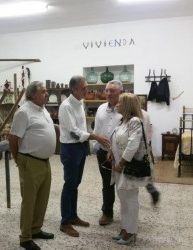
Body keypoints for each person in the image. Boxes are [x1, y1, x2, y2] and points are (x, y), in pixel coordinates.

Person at [93, 80, 160, 226]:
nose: (108, 94)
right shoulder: (101, 108)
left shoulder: (135, 112)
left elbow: (143, 134)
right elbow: (97, 128)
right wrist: (96, 145)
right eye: (107, 90)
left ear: (121, 92)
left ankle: (130, 221)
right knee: (107, 184)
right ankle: (107, 212)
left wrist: (143, 152)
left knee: (129, 185)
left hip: (125, 156)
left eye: (112, 91)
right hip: (105, 152)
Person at [58, 76, 110, 237]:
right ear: (74, 90)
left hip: (80, 148)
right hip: (70, 148)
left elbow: (81, 127)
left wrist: (87, 144)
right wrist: (95, 137)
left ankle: (73, 216)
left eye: (87, 87)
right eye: (84, 88)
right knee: (69, 184)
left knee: (76, 183)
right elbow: (74, 133)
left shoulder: (80, 103)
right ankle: (65, 222)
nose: (87, 90)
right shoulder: (66, 106)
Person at [8, 81, 56, 250]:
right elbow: (13, 138)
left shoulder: (42, 109)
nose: (47, 93)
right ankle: (25, 237)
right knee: (29, 201)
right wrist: (18, 159)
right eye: (43, 91)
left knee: (42, 198)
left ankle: (36, 229)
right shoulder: (24, 112)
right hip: (30, 161)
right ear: (32, 95)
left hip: (44, 162)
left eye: (46, 91)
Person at [108, 92, 152, 245]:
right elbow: (116, 138)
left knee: (130, 199)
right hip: (120, 166)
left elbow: (133, 144)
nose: (117, 104)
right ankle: (124, 228)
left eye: (120, 102)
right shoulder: (123, 121)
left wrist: (121, 164)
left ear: (126, 105)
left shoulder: (134, 121)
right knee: (123, 199)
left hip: (128, 167)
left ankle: (131, 232)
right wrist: (111, 152)